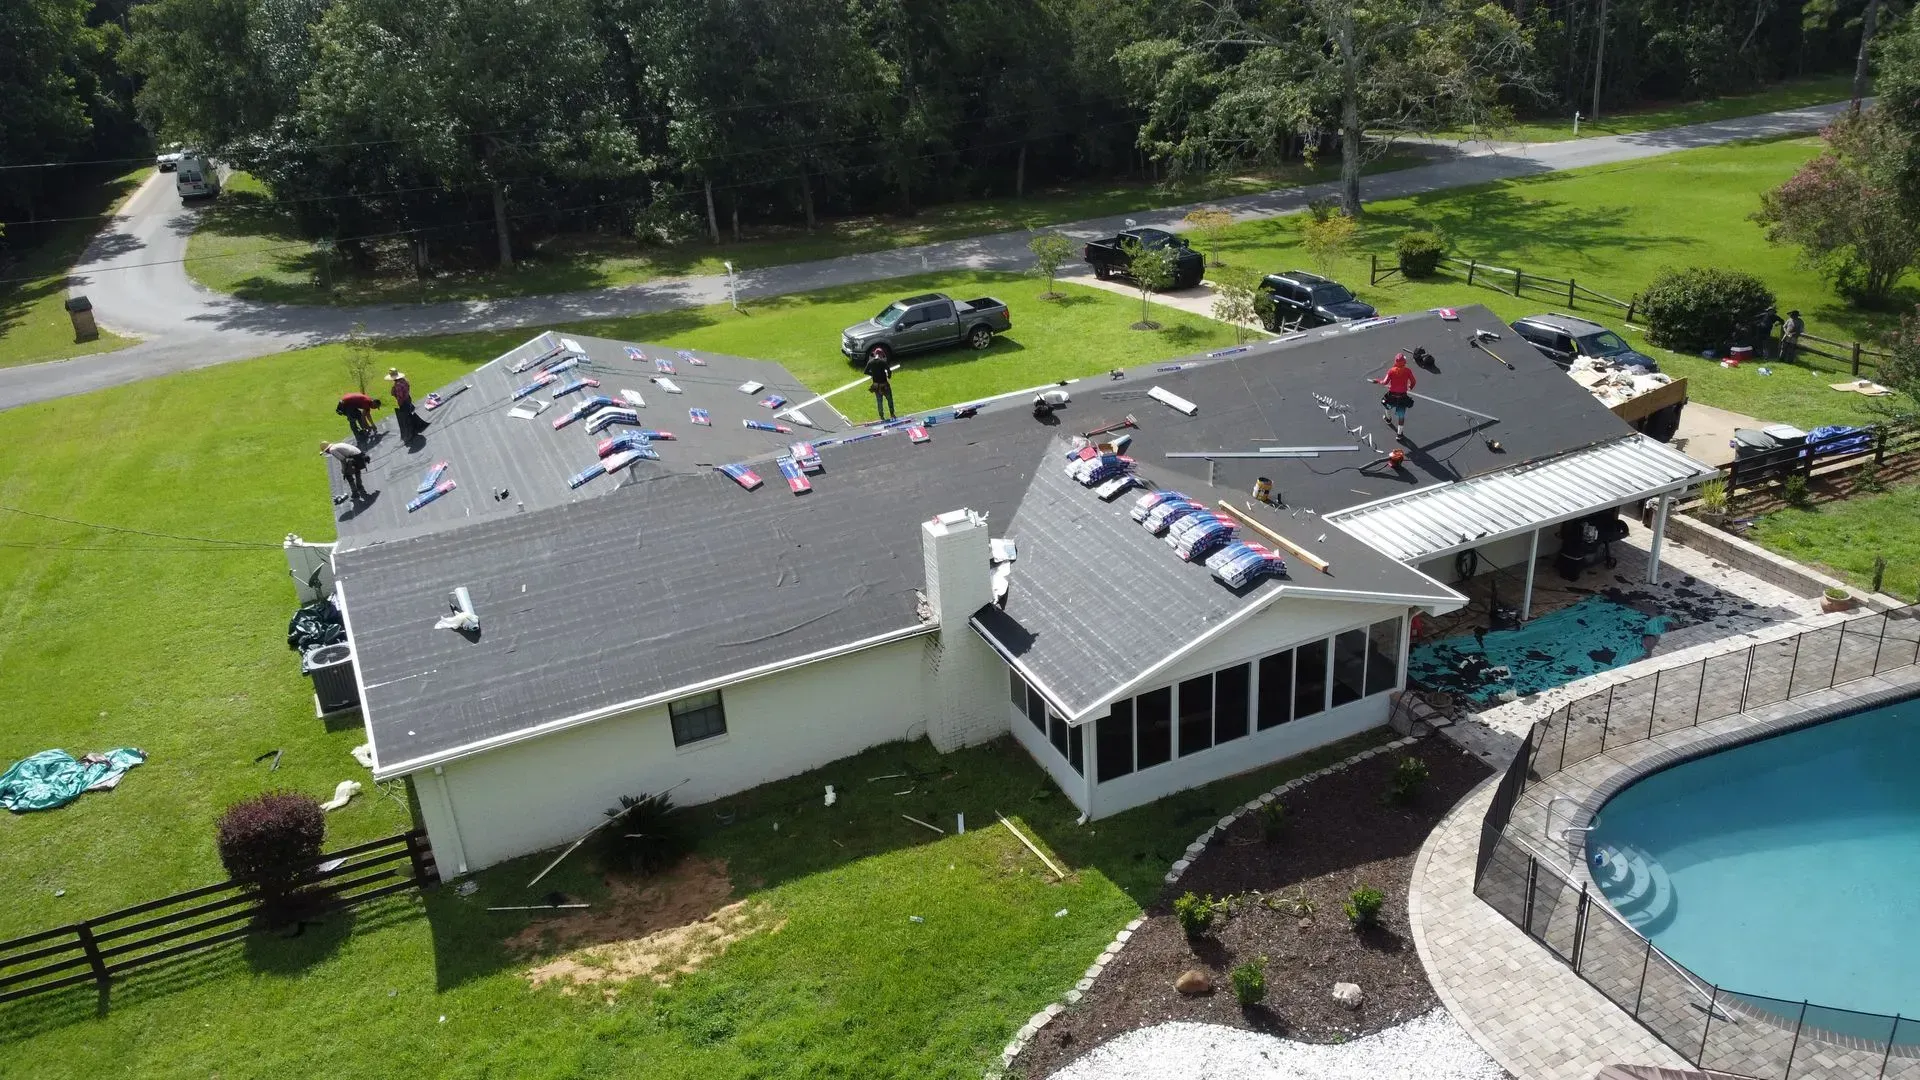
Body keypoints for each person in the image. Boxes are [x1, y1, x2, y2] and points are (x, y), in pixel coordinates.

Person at [1372, 351, 1418, 438]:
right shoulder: (1408, 371)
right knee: (1401, 415)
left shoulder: (1391, 371)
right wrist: (1410, 387)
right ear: (1404, 362)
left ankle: (1388, 419)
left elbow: (1384, 382)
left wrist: (1377, 381)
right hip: (1403, 397)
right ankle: (1399, 434)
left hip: (1392, 396)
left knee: (1386, 405)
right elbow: (1413, 381)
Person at [387, 367, 427, 440]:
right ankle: (414, 429)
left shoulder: (398, 385)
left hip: (404, 402)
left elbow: (400, 396)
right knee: (410, 414)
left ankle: (412, 432)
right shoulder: (404, 380)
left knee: (406, 417)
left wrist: (400, 404)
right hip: (408, 399)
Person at [864, 353, 895, 421]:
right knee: (889, 400)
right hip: (884, 385)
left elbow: (865, 371)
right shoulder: (883, 362)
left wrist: (873, 374)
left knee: (879, 401)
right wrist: (889, 376)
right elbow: (889, 371)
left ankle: (881, 417)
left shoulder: (870, 362)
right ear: (880, 355)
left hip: (876, 385)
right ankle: (892, 414)